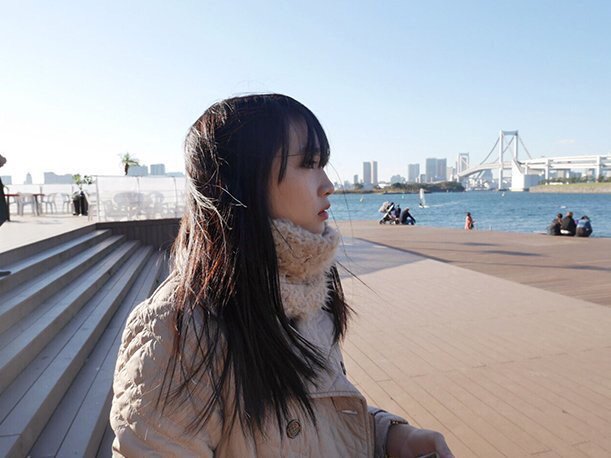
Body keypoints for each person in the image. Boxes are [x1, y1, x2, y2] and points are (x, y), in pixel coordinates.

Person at [110, 94, 453, 458]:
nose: (328, 184)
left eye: (323, 165)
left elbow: (313, 419)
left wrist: (391, 438)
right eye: (309, 164)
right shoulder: (180, 327)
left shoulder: (306, 293)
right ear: (243, 180)